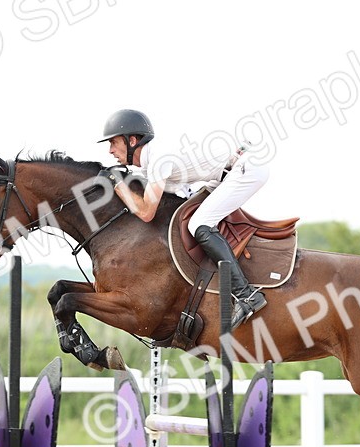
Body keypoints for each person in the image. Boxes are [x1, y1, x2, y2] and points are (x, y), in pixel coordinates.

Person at [98, 108, 268, 330]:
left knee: (199, 223)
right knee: (195, 216)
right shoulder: (154, 163)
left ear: (132, 140)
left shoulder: (159, 159)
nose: (110, 151)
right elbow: (180, 194)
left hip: (246, 168)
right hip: (228, 173)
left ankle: (246, 295)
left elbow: (147, 212)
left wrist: (117, 184)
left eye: (113, 142)